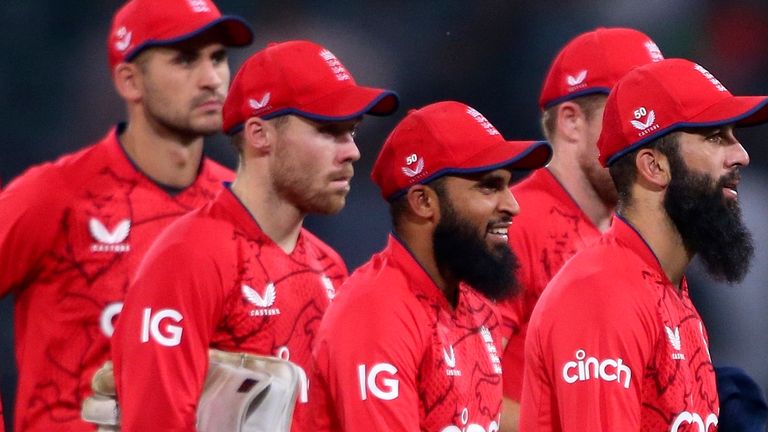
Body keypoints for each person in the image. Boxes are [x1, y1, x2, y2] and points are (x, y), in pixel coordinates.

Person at [111, 39, 399, 431]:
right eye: (329, 130)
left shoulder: (330, 269)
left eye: (351, 132)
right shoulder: (190, 256)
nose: (352, 151)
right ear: (261, 135)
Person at [0, 0, 253, 430]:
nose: (212, 79)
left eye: (218, 58)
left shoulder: (241, 208)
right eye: (185, 59)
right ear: (130, 81)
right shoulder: (54, 195)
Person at [520, 58, 768, 431]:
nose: (741, 155)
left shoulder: (671, 299)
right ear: (654, 167)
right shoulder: (602, 294)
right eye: (716, 137)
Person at [311, 101, 552, 431]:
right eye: (489, 186)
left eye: (508, 185)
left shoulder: (478, 307)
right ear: (423, 202)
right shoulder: (376, 311)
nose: (512, 205)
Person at [496, 27, 664, 431]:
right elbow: (458, 387)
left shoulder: (630, 241)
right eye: (633, 113)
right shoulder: (514, 224)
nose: (652, 136)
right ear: (572, 122)